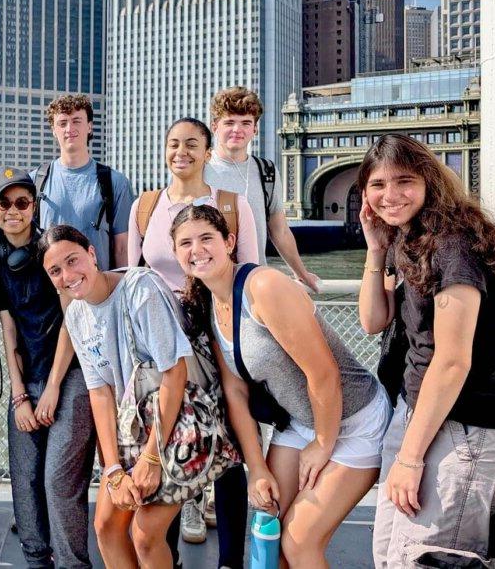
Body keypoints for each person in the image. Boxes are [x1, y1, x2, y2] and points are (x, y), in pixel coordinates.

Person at [171, 203, 390, 567]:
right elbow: (236, 393)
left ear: (229, 242)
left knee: (298, 542)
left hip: (353, 420)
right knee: (267, 528)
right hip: (299, 424)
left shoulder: (264, 287)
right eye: (186, 243)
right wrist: (256, 468)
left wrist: (322, 444)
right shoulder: (210, 304)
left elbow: (324, 374)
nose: (197, 250)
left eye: (206, 238)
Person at [358, 134, 495, 567]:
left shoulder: (453, 245)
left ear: (429, 182)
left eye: (404, 181)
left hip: (466, 431)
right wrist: (377, 250)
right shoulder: (412, 240)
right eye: (377, 184)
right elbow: (373, 321)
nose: (390, 195)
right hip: (427, 418)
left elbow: (453, 359)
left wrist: (410, 458)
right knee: (391, 557)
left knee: (420, 561)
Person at [127, 117, 256, 559]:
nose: (181, 152)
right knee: (164, 441)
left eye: (192, 145)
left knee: (229, 443)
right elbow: (133, 281)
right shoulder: (145, 206)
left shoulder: (232, 204)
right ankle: (170, 554)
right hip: (161, 350)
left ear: (207, 152)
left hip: (217, 341)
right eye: (173, 144)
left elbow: (250, 282)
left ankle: (231, 560)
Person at [39, 224, 192, 569]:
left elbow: (175, 372)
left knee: (145, 535)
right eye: (55, 271)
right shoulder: (76, 314)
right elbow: (100, 392)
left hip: (178, 423)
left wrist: (152, 460)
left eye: (73, 260)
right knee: (106, 526)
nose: (68, 275)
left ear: (92, 254)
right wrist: (112, 470)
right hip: (135, 427)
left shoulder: (140, 290)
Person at [0, 167, 95, 569]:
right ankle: (36, 558)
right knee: (25, 475)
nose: (13, 210)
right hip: (27, 377)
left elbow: (72, 317)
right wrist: (19, 394)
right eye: (4, 203)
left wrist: (52, 387)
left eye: (22, 202)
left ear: (34, 206)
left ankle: (72, 563)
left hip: (70, 374)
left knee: (59, 478)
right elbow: (8, 327)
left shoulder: (52, 250)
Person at [204, 86, 319, 289]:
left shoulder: (267, 171)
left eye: (246, 123)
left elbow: (280, 230)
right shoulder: (199, 169)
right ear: (215, 126)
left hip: (253, 283)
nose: (237, 130)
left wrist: (301, 273)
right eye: (229, 122)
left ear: (255, 129)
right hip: (206, 284)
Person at [33, 94, 134, 270]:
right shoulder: (35, 180)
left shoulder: (115, 183)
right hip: (48, 293)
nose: (69, 128)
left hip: (99, 291)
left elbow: (122, 247)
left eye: (76, 121)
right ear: (53, 130)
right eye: (62, 123)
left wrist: (121, 292)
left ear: (89, 126)